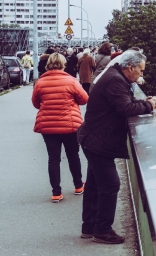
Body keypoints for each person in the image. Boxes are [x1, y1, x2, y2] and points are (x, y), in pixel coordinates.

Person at [77, 50, 156, 244]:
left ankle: (89, 227)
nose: (142, 75)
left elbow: (122, 102)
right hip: (98, 141)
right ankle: (102, 230)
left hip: (94, 137)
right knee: (111, 185)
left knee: (95, 185)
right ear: (130, 67)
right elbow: (125, 108)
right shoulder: (116, 80)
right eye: (141, 70)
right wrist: (150, 106)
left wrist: (142, 102)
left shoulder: (115, 76)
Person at [32, 53, 89, 203]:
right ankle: (78, 186)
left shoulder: (40, 82)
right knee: (73, 155)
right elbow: (84, 99)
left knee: (53, 158)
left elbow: (36, 104)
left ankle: (56, 193)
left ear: (48, 64)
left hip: (48, 126)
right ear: (63, 64)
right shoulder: (71, 81)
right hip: (70, 125)